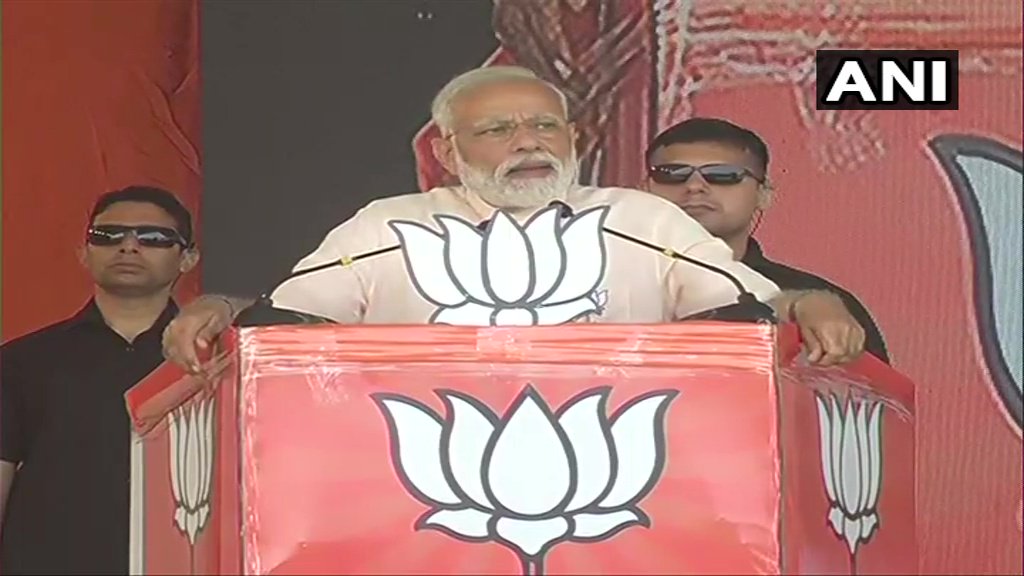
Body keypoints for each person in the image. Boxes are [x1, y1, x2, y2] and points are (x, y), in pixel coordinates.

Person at [162, 66, 865, 374]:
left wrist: (816, 300)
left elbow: (755, 306)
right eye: (499, 129)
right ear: (446, 151)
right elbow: (289, 324)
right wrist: (223, 307)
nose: (528, 142)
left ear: (573, 136)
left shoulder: (640, 219)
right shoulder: (387, 226)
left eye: (542, 125)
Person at [0, 186, 198, 574]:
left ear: (188, 258)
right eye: (108, 236)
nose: (128, 247)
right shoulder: (21, 361)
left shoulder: (218, 361)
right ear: (83, 253)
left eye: (153, 238)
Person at [643, 117, 890, 364]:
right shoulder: (609, 283)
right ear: (644, 190)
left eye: (723, 175)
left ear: (763, 195)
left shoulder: (826, 307)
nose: (695, 186)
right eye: (672, 174)